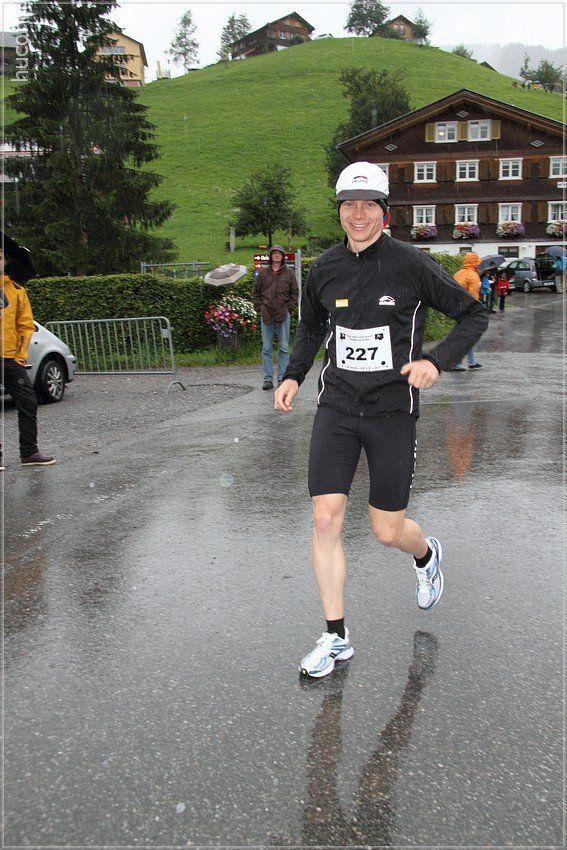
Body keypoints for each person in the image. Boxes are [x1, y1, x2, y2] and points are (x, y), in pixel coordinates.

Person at [273, 162, 488, 679]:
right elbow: (311, 329)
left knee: (387, 531)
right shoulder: (324, 268)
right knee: (325, 519)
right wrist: (294, 375)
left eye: (368, 205)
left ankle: (426, 555)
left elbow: (474, 314)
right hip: (338, 406)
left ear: (384, 212)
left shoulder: (411, 264)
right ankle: (335, 636)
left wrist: (436, 361)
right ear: (340, 211)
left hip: (393, 410)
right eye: (349, 205)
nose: (358, 214)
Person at [1, 249, 56, 470]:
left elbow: (25, 325)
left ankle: (29, 452)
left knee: (28, 401)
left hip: (10, 358)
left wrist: (20, 356)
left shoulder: (16, 290)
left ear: (6, 261)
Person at [252, 245, 298, 390]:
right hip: (266, 315)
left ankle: (282, 377)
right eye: (274, 253)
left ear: (283, 256)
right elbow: (255, 294)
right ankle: (267, 379)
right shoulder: (263, 273)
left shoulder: (289, 273)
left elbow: (295, 293)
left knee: (284, 347)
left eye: (279, 253)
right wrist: (261, 308)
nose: (277, 255)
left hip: (283, 314)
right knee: (266, 348)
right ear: (270, 256)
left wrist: (288, 308)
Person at [452, 252, 483, 370]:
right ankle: (456, 363)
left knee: (467, 334)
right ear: (475, 263)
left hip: (456, 307)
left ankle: (472, 361)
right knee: (465, 335)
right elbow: (473, 295)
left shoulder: (458, 273)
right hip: (468, 309)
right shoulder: (473, 275)